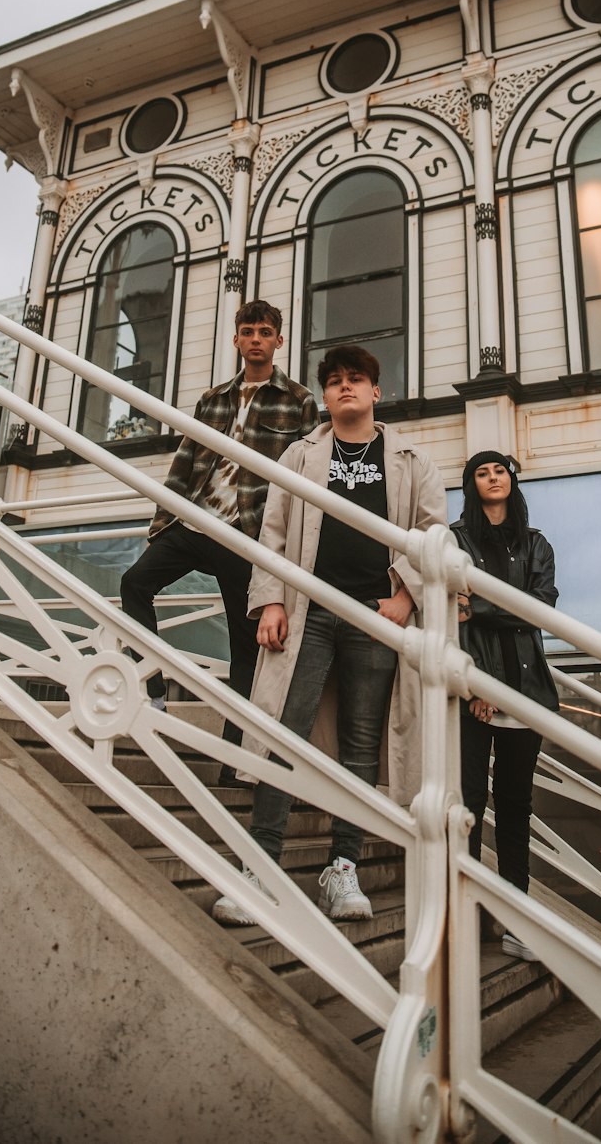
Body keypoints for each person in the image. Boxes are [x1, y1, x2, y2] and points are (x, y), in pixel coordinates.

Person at [212, 343, 446, 925]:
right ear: (325, 394)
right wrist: (268, 601)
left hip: (375, 617)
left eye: (356, 379)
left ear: (376, 392)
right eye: (335, 380)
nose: (345, 387)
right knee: (283, 733)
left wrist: (405, 597)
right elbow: (272, 531)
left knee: (362, 742)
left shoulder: (411, 459)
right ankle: (259, 866)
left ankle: (342, 867)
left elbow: (433, 533)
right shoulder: (299, 455)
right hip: (306, 609)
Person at [119, 300, 319, 767]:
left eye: (264, 332)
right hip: (196, 520)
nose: (255, 339)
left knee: (243, 642)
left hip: (248, 531)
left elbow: (310, 478)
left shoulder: (299, 400)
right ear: (236, 340)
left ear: (278, 341)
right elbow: (185, 463)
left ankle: (235, 757)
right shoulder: (212, 399)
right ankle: (152, 689)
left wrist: (288, 550)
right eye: (247, 331)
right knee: (134, 583)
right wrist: (161, 522)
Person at [452, 451, 559, 962]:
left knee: (516, 807)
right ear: (471, 485)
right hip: (475, 691)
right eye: (481, 472)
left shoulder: (537, 542)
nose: (492, 478)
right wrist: (478, 688)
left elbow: (540, 608)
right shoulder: (456, 540)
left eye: (500, 471)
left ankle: (517, 919)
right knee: (470, 802)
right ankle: (468, 912)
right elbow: (454, 617)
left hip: (528, 691)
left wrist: (483, 604)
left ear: (511, 482)